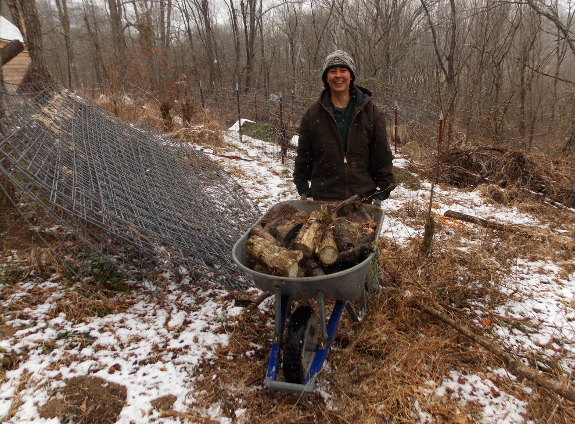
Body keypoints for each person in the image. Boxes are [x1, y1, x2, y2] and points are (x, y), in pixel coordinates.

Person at [293, 50, 396, 204]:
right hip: (324, 195)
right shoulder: (312, 114)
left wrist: (385, 184)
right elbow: (304, 153)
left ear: (351, 76)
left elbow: (381, 153)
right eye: (332, 71)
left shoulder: (372, 113)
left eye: (343, 70)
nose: (338, 75)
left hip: (361, 196)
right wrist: (301, 182)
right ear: (326, 78)